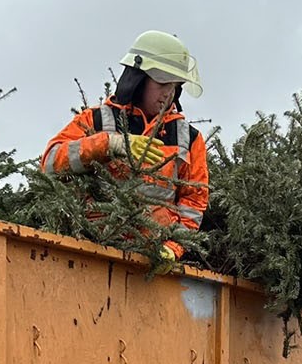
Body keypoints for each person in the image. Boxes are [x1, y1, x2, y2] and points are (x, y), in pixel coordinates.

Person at [40, 30, 209, 253]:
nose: (168, 94)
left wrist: (174, 247)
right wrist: (109, 144)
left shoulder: (188, 138)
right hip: (94, 251)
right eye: (162, 84)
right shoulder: (97, 121)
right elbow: (50, 164)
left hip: (152, 261)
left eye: (175, 86)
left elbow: (193, 204)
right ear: (137, 80)